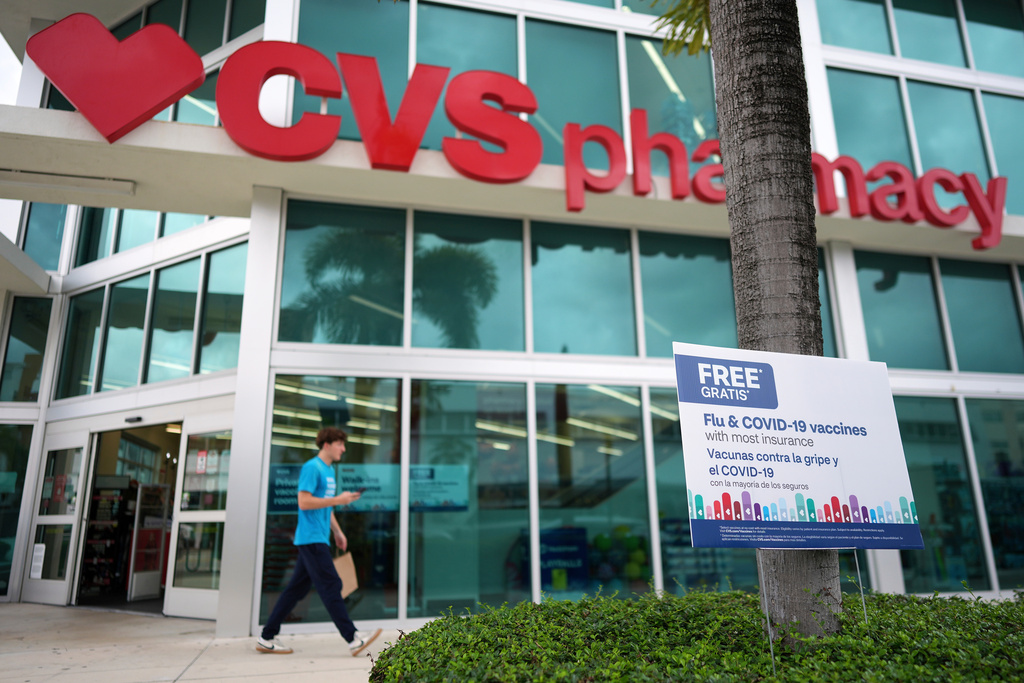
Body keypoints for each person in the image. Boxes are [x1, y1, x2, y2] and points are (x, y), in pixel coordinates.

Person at [256, 426, 381, 656]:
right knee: (330, 584)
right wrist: (338, 499)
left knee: (295, 590)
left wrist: (338, 532)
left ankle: (266, 637)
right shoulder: (311, 468)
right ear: (327, 444)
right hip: (311, 538)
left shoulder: (329, 471)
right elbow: (304, 502)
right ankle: (352, 638)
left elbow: (325, 505)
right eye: (340, 444)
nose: (343, 448)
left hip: (319, 536)